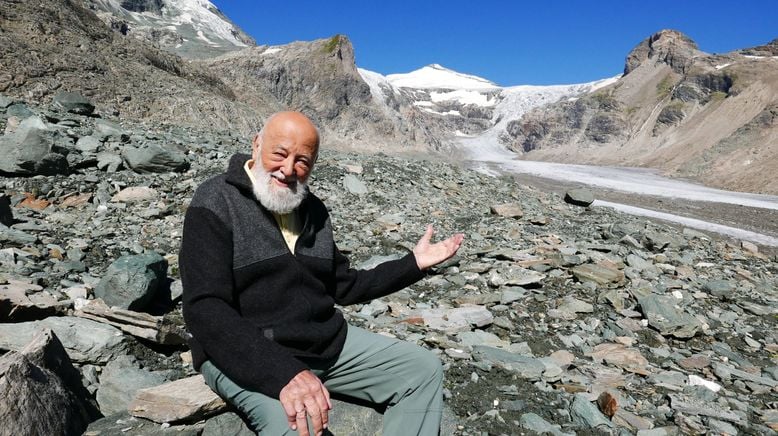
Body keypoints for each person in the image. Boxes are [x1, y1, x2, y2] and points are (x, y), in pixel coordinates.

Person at [180, 111, 464, 436]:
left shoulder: (312, 209)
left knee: (423, 369)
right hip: (246, 352)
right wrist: (283, 373)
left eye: (302, 161)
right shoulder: (215, 202)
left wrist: (413, 263)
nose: (288, 170)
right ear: (256, 145)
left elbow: (343, 285)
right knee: (302, 427)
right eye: (280, 154)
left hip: (322, 345)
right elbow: (205, 308)